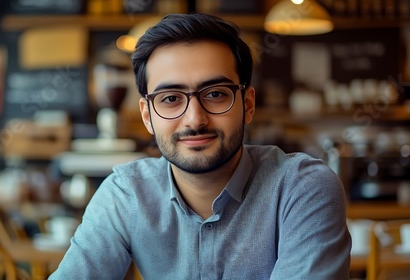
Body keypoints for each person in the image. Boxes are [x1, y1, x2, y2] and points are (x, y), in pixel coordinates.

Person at [50, 13, 351, 279]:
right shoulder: (126, 195)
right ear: (147, 115)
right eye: (170, 98)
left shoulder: (302, 188)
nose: (195, 119)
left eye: (216, 94)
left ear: (247, 104)